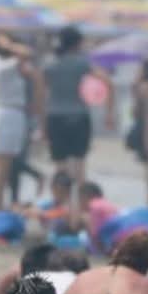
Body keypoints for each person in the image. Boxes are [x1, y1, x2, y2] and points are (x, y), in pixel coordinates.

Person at [0, 35, 39, 214]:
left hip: (3, 113)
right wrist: (9, 44)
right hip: (8, 114)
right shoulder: (6, 65)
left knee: (1, 165)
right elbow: (27, 53)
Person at [41, 26, 103, 190]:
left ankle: (61, 200)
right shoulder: (83, 64)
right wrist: (109, 111)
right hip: (79, 115)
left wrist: (42, 124)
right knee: (79, 164)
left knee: (60, 165)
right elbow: (106, 81)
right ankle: (80, 201)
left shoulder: (50, 65)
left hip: (55, 116)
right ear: (77, 43)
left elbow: (42, 95)